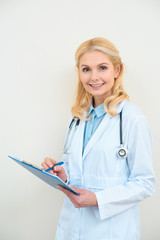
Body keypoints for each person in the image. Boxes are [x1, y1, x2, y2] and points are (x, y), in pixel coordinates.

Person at [41, 37, 155, 240]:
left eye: (102, 68)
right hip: (71, 228)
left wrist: (98, 199)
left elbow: (145, 183)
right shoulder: (78, 116)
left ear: (117, 71)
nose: (94, 77)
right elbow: (78, 167)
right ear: (79, 73)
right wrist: (63, 174)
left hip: (112, 231)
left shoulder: (132, 119)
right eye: (86, 69)